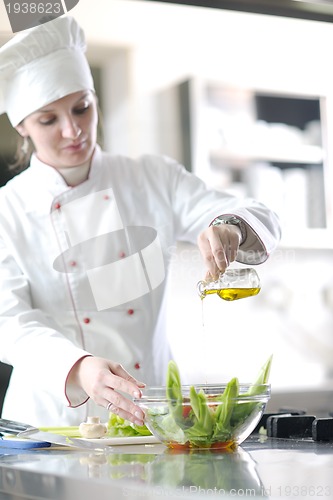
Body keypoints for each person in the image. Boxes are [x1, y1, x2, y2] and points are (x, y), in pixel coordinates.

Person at [0, 16, 281, 428]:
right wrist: (79, 368)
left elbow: (259, 212)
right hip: (51, 423)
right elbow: (8, 319)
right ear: (22, 126)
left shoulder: (152, 178)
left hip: (151, 415)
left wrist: (229, 226)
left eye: (82, 107)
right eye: (48, 120)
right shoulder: (8, 207)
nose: (73, 129)